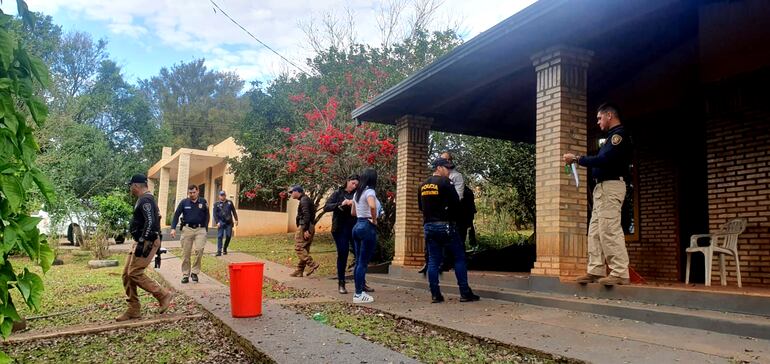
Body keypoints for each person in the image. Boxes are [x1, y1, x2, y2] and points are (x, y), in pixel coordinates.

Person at [563, 103, 633, 286]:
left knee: (609, 229)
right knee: (595, 232)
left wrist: (578, 159)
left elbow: (604, 160)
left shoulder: (619, 136)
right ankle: (595, 270)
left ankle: (619, 272)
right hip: (602, 189)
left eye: (599, 118)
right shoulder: (610, 139)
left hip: (611, 187)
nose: (598, 122)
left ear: (609, 115)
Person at [419, 158, 480, 303]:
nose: (449, 171)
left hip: (429, 226)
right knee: (459, 258)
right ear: (439, 168)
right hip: (446, 226)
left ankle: (435, 295)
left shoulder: (422, 185)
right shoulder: (446, 183)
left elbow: (421, 207)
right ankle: (465, 293)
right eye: (447, 168)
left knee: (433, 261)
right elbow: (456, 204)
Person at [118, 174, 173, 321]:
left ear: (136, 186)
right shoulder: (144, 199)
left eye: (131, 185)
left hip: (146, 241)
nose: (130, 188)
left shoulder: (145, 200)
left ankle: (163, 294)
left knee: (134, 272)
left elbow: (151, 222)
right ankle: (133, 309)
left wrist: (143, 241)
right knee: (126, 274)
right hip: (140, 240)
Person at [419, 151, 465, 274]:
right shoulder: (433, 182)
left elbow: (458, 197)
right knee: (439, 251)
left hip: (444, 218)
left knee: (446, 249)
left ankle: (443, 265)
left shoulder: (455, 177)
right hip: (437, 219)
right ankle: (430, 264)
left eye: (446, 161)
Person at [323, 175, 359, 294]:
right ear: (347, 181)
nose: (354, 186)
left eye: (356, 184)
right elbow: (326, 207)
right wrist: (341, 203)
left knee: (359, 255)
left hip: (354, 227)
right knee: (343, 254)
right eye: (353, 183)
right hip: (340, 228)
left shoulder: (357, 194)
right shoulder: (338, 193)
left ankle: (361, 282)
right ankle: (341, 283)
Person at [351, 168, 381, 304]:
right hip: (367, 226)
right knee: (363, 263)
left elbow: (353, 212)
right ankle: (358, 294)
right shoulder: (370, 191)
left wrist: (363, 214)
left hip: (357, 225)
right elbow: (373, 206)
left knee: (358, 262)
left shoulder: (357, 193)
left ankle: (358, 292)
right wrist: (374, 219)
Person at [170, 185, 210, 284]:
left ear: (197, 192)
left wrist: (205, 228)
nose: (192, 194)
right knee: (186, 253)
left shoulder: (203, 202)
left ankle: (195, 272)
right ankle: (185, 274)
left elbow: (207, 215)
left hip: (200, 229)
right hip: (187, 229)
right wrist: (173, 228)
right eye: (190, 193)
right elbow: (176, 215)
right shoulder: (184, 202)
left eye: (193, 192)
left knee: (199, 250)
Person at [289, 185, 321, 277]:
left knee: (299, 247)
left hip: (304, 226)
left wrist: (306, 229)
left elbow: (306, 214)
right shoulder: (306, 199)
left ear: (297, 191)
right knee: (305, 248)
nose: (291, 194)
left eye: (292, 192)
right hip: (308, 225)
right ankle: (300, 270)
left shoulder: (304, 200)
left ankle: (312, 264)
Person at [213, 190, 239, 256]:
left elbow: (233, 211)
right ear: (219, 196)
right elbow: (215, 214)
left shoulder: (230, 202)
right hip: (221, 222)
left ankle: (225, 248)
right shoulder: (216, 204)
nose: (222, 196)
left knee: (228, 236)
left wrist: (236, 219)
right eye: (221, 195)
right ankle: (219, 251)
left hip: (229, 223)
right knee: (220, 236)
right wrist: (217, 222)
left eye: (223, 195)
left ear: (225, 195)